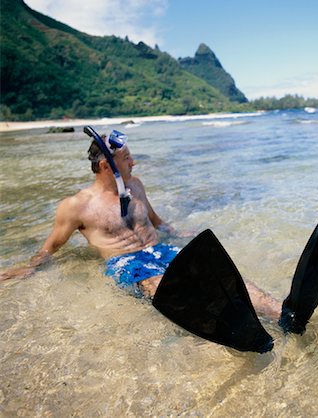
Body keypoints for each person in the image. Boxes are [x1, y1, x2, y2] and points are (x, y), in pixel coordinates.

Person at [0, 129, 281, 320]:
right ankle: (222, 320)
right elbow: (51, 247)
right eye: (126, 158)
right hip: (127, 264)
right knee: (158, 284)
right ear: (105, 167)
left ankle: (278, 311)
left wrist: (178, 233)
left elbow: (155, 221)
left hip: (160, 251)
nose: (134, 162)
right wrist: (31, 266)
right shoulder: (77, 206)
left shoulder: (135, 186)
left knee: (218, 271)